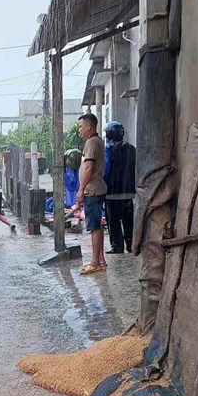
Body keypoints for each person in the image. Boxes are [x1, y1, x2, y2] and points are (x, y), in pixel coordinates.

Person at [76, 113, 108, 275]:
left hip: (92, 189)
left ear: (89, 127)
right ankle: (100, 260)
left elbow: (88, 168)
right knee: (97, 225)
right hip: (97, 188)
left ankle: (95, 262)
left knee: (94, 226)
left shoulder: (91, 143)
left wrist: (81, 189)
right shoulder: (97, 142)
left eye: (81, 127)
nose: (79, 130)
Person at [103, 121, 136, 254]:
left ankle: (117, 246)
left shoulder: (108, 148)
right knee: (129, 220)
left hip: (112, 192)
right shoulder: (132, 149)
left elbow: (106, 169)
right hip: (128, 191)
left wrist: (103, 185)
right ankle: (131, 244)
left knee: (114, 221)